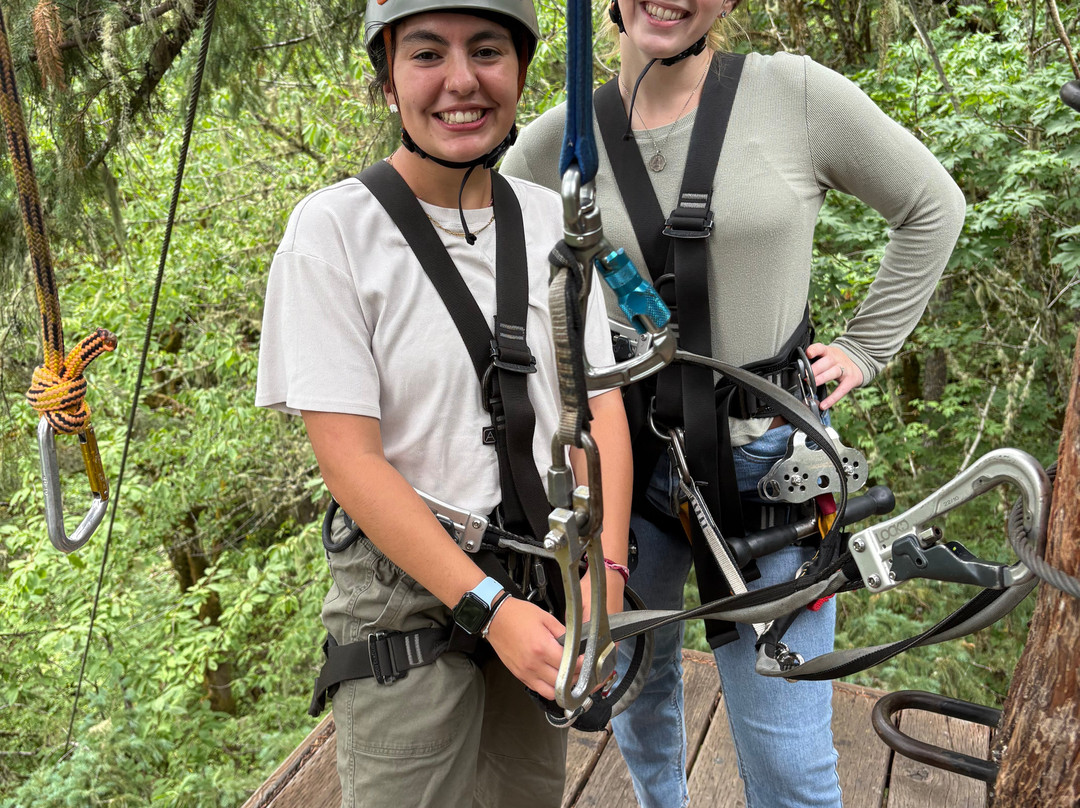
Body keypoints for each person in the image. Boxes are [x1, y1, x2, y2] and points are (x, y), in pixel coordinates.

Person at [501, 0, 966, 805]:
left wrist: (864, 347)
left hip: (768, 466)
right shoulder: (553, 147)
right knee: (636, 701)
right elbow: (499, 283)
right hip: (624, 458)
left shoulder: (795, 97)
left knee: (787, 756)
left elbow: (931, 206)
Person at [255, 0, 632, 805]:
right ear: (386, 78)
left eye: (487, 51)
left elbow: (597, 411)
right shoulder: (334, 232)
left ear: (522, 71)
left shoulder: (551, 225)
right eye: (427, 54)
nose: (462, 81)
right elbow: (350, 459)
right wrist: (487, 608)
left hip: (544, 572)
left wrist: (606, 574)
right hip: (404, 590)